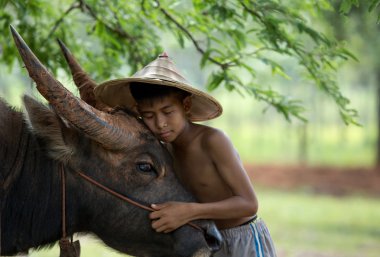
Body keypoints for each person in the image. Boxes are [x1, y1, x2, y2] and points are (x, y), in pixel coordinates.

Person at [94, 52, 277, 257]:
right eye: (149, 116)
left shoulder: (213, 141)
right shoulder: (165, 152)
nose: (160, 123)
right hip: (205, 240)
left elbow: (249, 204)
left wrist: (189, 212)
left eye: (168, 112)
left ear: (186, 106)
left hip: (243, 240)